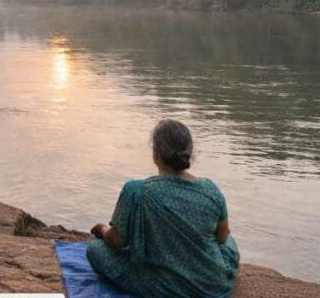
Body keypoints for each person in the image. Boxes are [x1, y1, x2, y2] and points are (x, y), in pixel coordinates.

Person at [87, 119, 240, 298]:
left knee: (95, 249)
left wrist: (103, 229)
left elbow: (116, 241)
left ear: (156, 153)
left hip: (165, 286)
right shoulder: (210, 189)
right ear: (189, 152)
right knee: (230, 242)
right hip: (212, 286)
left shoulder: (136, 191)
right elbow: (221, 239)